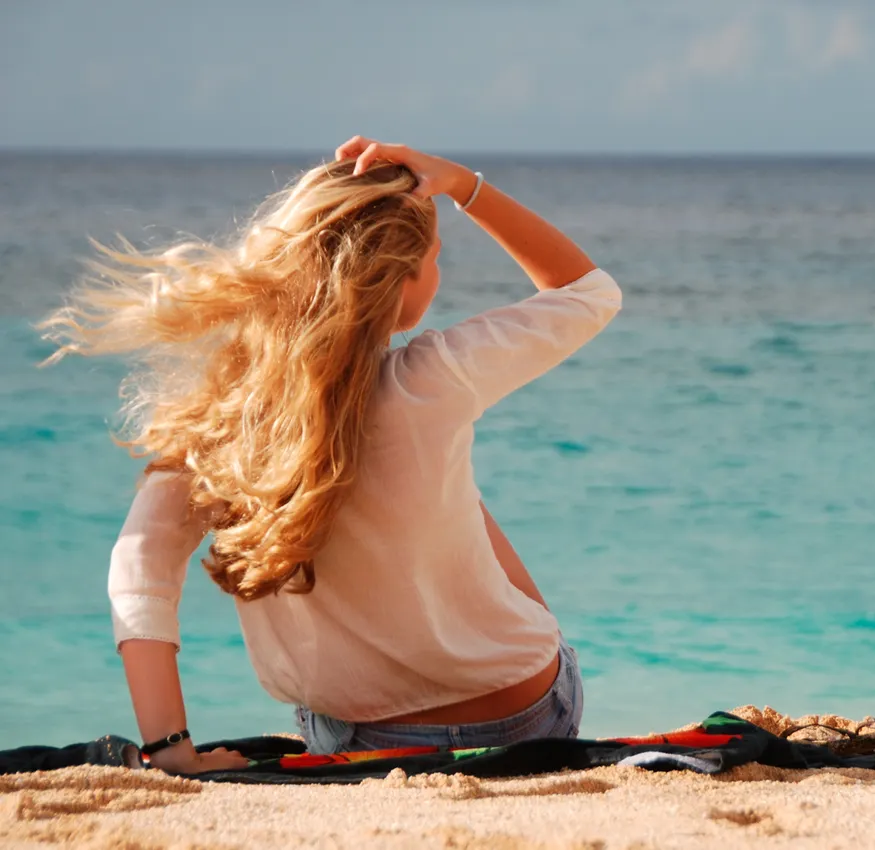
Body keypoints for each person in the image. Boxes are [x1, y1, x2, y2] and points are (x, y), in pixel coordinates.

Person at [39, 138, 622, 774]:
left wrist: (171, 751)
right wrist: (462, 185)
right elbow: (588, 292)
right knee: (445, 482)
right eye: (434, 258)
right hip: (524, 717)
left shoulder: (224, 422)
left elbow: (139, 566)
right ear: (402, 280)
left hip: (361, 744)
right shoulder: (435, 378)